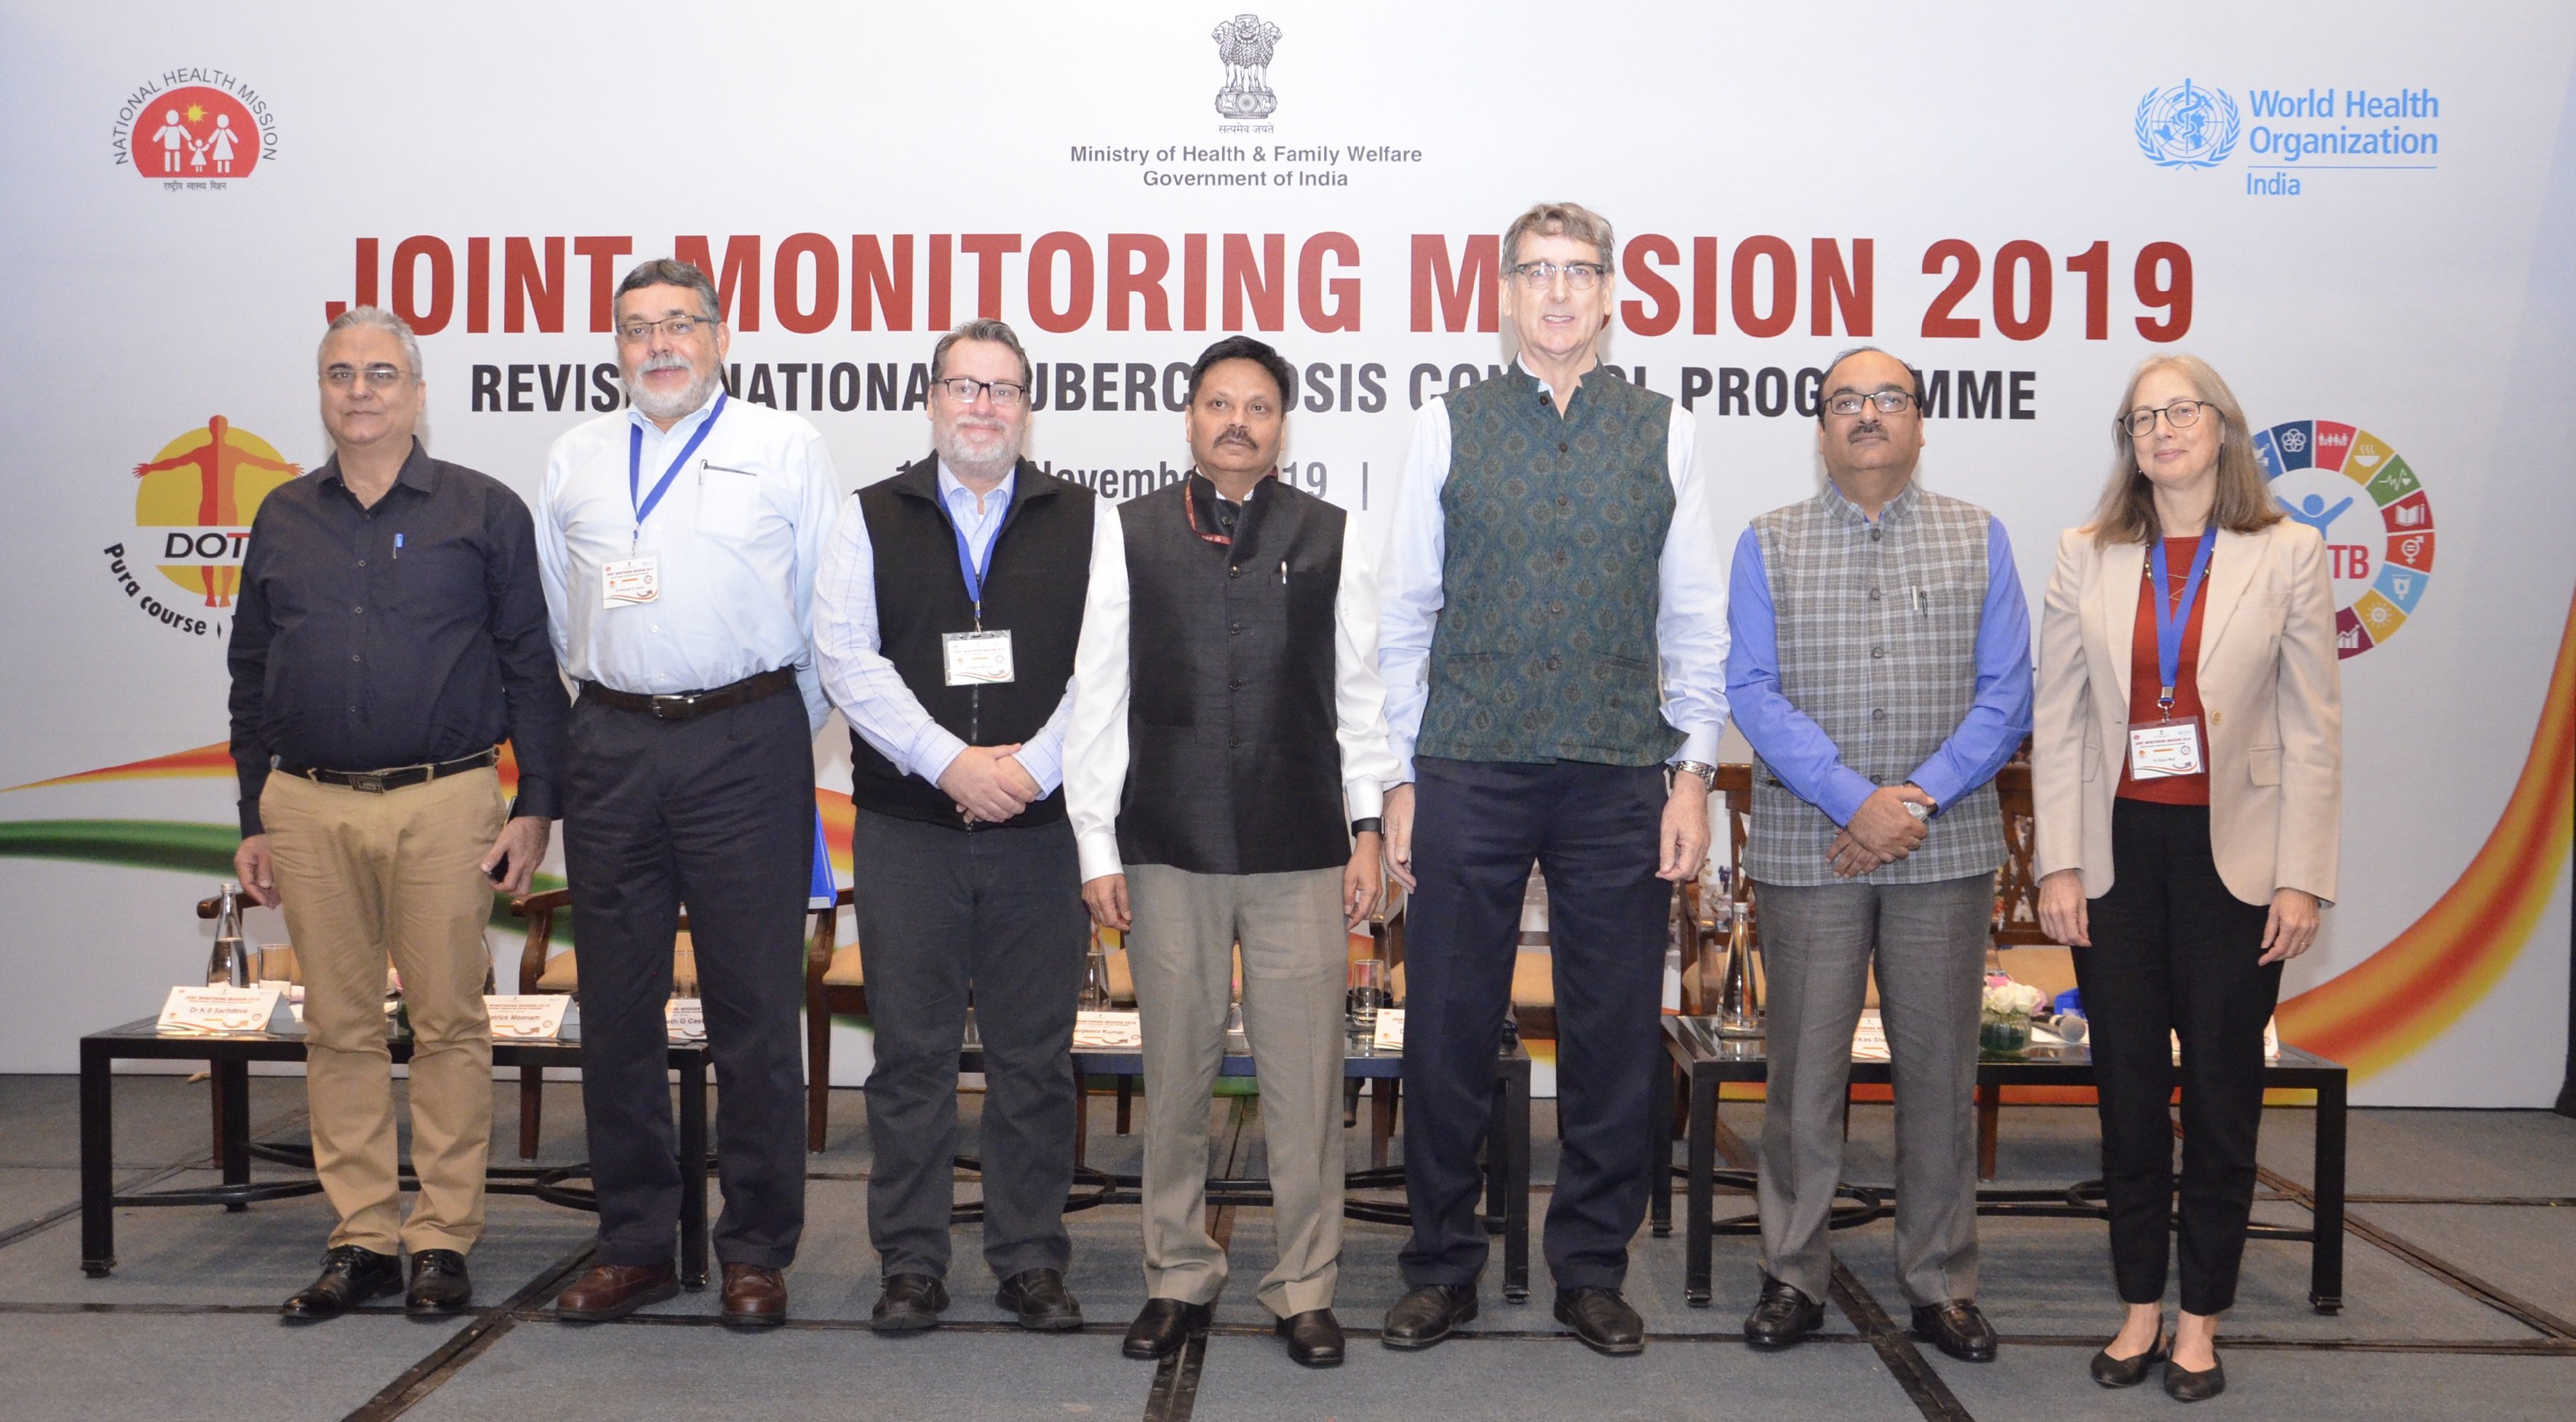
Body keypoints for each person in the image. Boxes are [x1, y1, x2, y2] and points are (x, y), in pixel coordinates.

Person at [1376, 201, 1728, 1357]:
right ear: (1505, 295)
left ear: (1612, 294)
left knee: (1612, 1032)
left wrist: (1691, 773)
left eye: (1579, 272)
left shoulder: (1665, 430)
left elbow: (1694, 617)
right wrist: (1398, 779)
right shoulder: (1446, 424)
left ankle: (1589, 1269)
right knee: (1446, 1027)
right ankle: (1441, 1266)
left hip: (1620, 771)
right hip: (1467, 764)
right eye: (1537, 272)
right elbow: (1402, 611)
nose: (1560, 291)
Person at [1065, 335, 1398, 1368]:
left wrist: (1367, 830)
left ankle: (1304, 1287)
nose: (1238, 422)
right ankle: (1176, 1274)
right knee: (1175, 1079)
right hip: (1167, 845)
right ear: (1190, 418)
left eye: (1258, 406)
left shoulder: (1332, 533)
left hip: (1301, 845)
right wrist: (1094, 845)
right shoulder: (1126, 532)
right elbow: (1097, 694)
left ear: (1282, 425)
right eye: (1219, 403)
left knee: (1306, 1085)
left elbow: (1359, 697)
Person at [228, 306, 567, 1320]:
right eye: (342, 373)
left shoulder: (483, 509)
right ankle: (364, 1236)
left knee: (450, 1022)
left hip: (446, 800)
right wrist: (253, 813)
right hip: (306, 804)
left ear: (418, 394)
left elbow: (531, 667)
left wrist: (536, 807)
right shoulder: (282, 515)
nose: (361, 391)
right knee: (337, 1028)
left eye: (382, 374)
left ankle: (442, 1238)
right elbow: (250, 672)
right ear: (322, 393)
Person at [535, 258, 839, 1328]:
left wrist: (762, 721)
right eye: (636, 328)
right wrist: (620, 708)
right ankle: (635, 1245)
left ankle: (755, 1249)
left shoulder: (783, 446)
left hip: (747, 740)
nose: (658, 344)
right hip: (612, 743)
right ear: (615, 347)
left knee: (754, 1011)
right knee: (616, 1010)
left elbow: (827, 609)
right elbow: (560, 617)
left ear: (721, 336)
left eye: (679, 323)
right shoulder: (574, 458)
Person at [2033, 354, 2340, 1403]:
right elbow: (2060, 721)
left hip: (2237, 865)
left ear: (2222, 428)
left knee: (2220, 1098)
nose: (2161, 429)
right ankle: (2136, 1310)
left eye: (2180, 411)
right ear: (2128, 443)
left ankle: (2200, 1319)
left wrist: (2301, 878)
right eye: (2141, 418)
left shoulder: (2288, 551)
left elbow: (2313, 729)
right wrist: (2060, 862)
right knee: (2125, 1097)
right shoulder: (2085, 553)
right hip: (2116, 859)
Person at [1723, 346, 2034, 1364]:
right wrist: (1854, 802)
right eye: (1845, 401)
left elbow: (2007, 693)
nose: (1866, 415)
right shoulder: (1767, 542)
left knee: (1939, 1078)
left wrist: (1913, 799)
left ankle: (1941, 1282)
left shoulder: (1978, 536)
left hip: (1942, 847)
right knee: (1802, 1080)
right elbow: (1751, 689)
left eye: (1888, 399)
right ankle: (1791, 1276)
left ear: (1920, 423)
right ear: (1819, 429)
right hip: (1810, 846)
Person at [813, 319, 1114, 1336]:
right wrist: (950, 762)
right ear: (932, 400)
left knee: (1035, 1059)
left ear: (1027, 407)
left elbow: (1108, 667)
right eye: (963, 387)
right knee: (911, 1057)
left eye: (1002, 389)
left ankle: (1030, 1260)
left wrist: (1029, 771)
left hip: (1040, 831)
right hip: (909, 829)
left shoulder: (1087, 520)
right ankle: (910, 1262)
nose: (982, 407)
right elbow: (846, 658)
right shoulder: (868, 516)